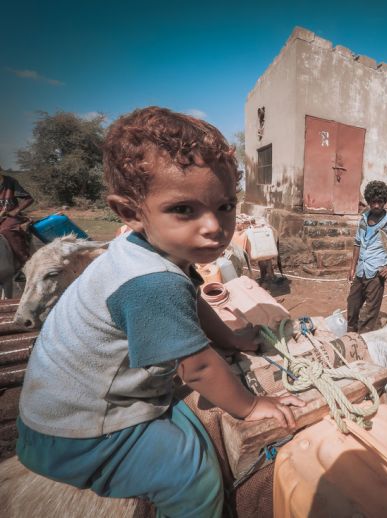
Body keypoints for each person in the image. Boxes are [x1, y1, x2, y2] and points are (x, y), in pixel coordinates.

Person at [16, 107, 304, 516]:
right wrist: (251, 406)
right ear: (131, 213)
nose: (214, 227)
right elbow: (197, 369)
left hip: (61, 411)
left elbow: (193, 300)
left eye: (224, 206)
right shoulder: (151, 281)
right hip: (81, 433)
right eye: (184, 210)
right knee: (192, 475)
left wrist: (233, 339)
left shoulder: (146, 253)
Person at [347, 180, 387, 333]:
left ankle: (363, 340)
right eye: (373, 202)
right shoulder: (363, 218)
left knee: (370, 311)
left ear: (384, 201)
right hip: (360, 270)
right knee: (352, 304)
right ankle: (350, 336)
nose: (376, 205)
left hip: (376, 274)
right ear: (368, 201)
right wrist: (352, 267)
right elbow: (357, 243)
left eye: (379, 202)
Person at [0, 171, 34, 265]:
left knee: (6, 230)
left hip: (9, 216)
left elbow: (28, 199)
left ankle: (26, 264)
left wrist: (14, 211)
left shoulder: (10, 182)